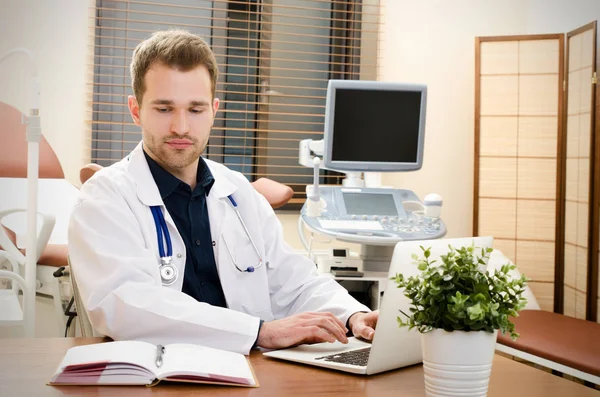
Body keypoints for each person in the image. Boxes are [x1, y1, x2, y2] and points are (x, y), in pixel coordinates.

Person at [68, 29, 378, 355]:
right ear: (135, 110)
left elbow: (295, 282)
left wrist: (354, 315)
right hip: (159, 376)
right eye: (164, 109)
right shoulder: (104, 198)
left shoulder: (237, 192)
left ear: (214, 110)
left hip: (250, 373)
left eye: (196, 109)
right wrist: (259, 332)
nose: (181, 127)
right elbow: (126, 306)